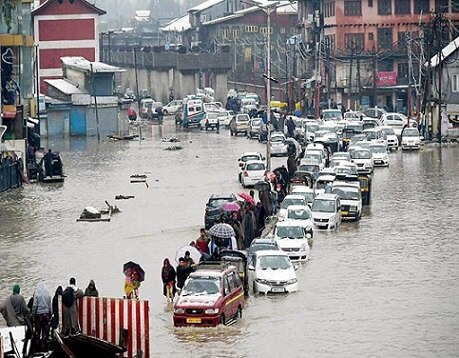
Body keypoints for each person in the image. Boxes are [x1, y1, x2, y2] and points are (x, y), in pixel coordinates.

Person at [32, 281, 52, 353]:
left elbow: (34, 305)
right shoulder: (48, 293)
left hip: (39, 314)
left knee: (37, 331)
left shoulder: (37, 293)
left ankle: (37, 347)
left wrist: (33, 314)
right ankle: (44, 345)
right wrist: (50, 314)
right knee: (45, 331)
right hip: (46, 314)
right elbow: (50, 305)